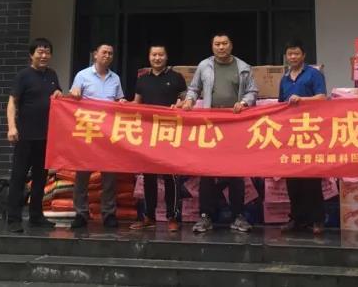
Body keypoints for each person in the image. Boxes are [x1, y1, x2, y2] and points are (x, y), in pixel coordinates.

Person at [180, 32, 258, 234]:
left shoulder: (243, 67)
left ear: (231, 45)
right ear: (212, 46)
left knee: (236, 172)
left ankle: (238, 216)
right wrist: (189, 100)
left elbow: (252, 91)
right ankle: (205, 216)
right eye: (217, 44)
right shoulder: (204, 66)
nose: (221, 47)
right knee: (207, 172)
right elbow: (194, 88)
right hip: (211, 125)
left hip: (234, 126)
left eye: (224, 43)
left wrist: (244, 102)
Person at [67, 42, 127, 229]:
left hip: (108, 134)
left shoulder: (115, 78)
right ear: (95, 55)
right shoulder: (82, 75)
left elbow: (119, 100)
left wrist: (122, 102)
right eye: (104, 52)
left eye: (110, 53)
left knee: (109, 176)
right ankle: (81, 213)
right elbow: (73, 98)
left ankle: (108, 213)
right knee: (82, 175)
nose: (107, 56)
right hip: (87, 132)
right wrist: (73, 94)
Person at [5, 38, 61, 233]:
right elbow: (12, 102)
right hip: (25, 135)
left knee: (40, 178)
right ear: (31, 55)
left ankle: (36, 216)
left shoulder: (52, 75)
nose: (44, 56)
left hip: (46, 136)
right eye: (40, 52)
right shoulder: (23, 76)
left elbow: (58, 96)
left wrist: (60, 94)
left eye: (47, 52)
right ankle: (13, 219)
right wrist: (12, 127)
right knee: (18, 177)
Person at [131, 43, 188, 232]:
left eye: (160, 55)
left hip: (170, 133)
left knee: (170, 176)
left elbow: (186, 101)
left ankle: (173, 217)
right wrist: (122, 105)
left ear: (166, 57)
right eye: (154, 55)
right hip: (148, 133)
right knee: (148, 176)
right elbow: (136, 103)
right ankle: (149, 216)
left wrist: (181, 104)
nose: (157, 58)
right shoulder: (142, 80)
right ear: (149, 57)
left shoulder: (176, 77)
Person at [278, 39, 328, 235]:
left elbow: (322, 98)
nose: (293, 57)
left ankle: (317, 220)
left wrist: (302, 100)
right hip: (291, 134)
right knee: (292, 180)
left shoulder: (314, 74)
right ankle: (296, 219)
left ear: (303, 55)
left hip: (310, 131)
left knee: (311, 178)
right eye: (290, 54)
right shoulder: (284, 78)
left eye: (296, 53)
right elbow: (281, 105)